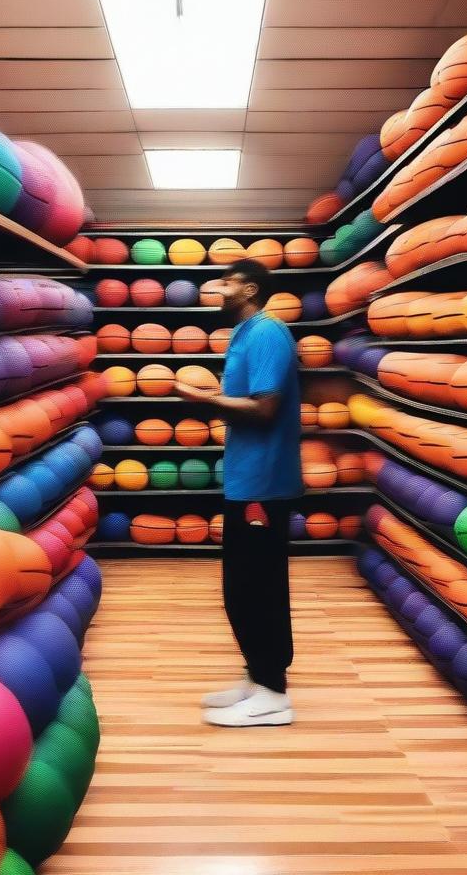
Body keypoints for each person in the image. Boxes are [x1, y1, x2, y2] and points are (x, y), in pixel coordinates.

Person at [175, 259, 302, 727]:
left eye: (226, 282)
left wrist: (203, 401)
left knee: (258, 589)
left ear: (249, 288)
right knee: (240, 590)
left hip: (265, 485)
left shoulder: (269, 332)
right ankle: (258, 678)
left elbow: (265, 409)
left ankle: (274, 694)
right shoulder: (242, 334)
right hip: (246, 480)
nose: (218, 289)